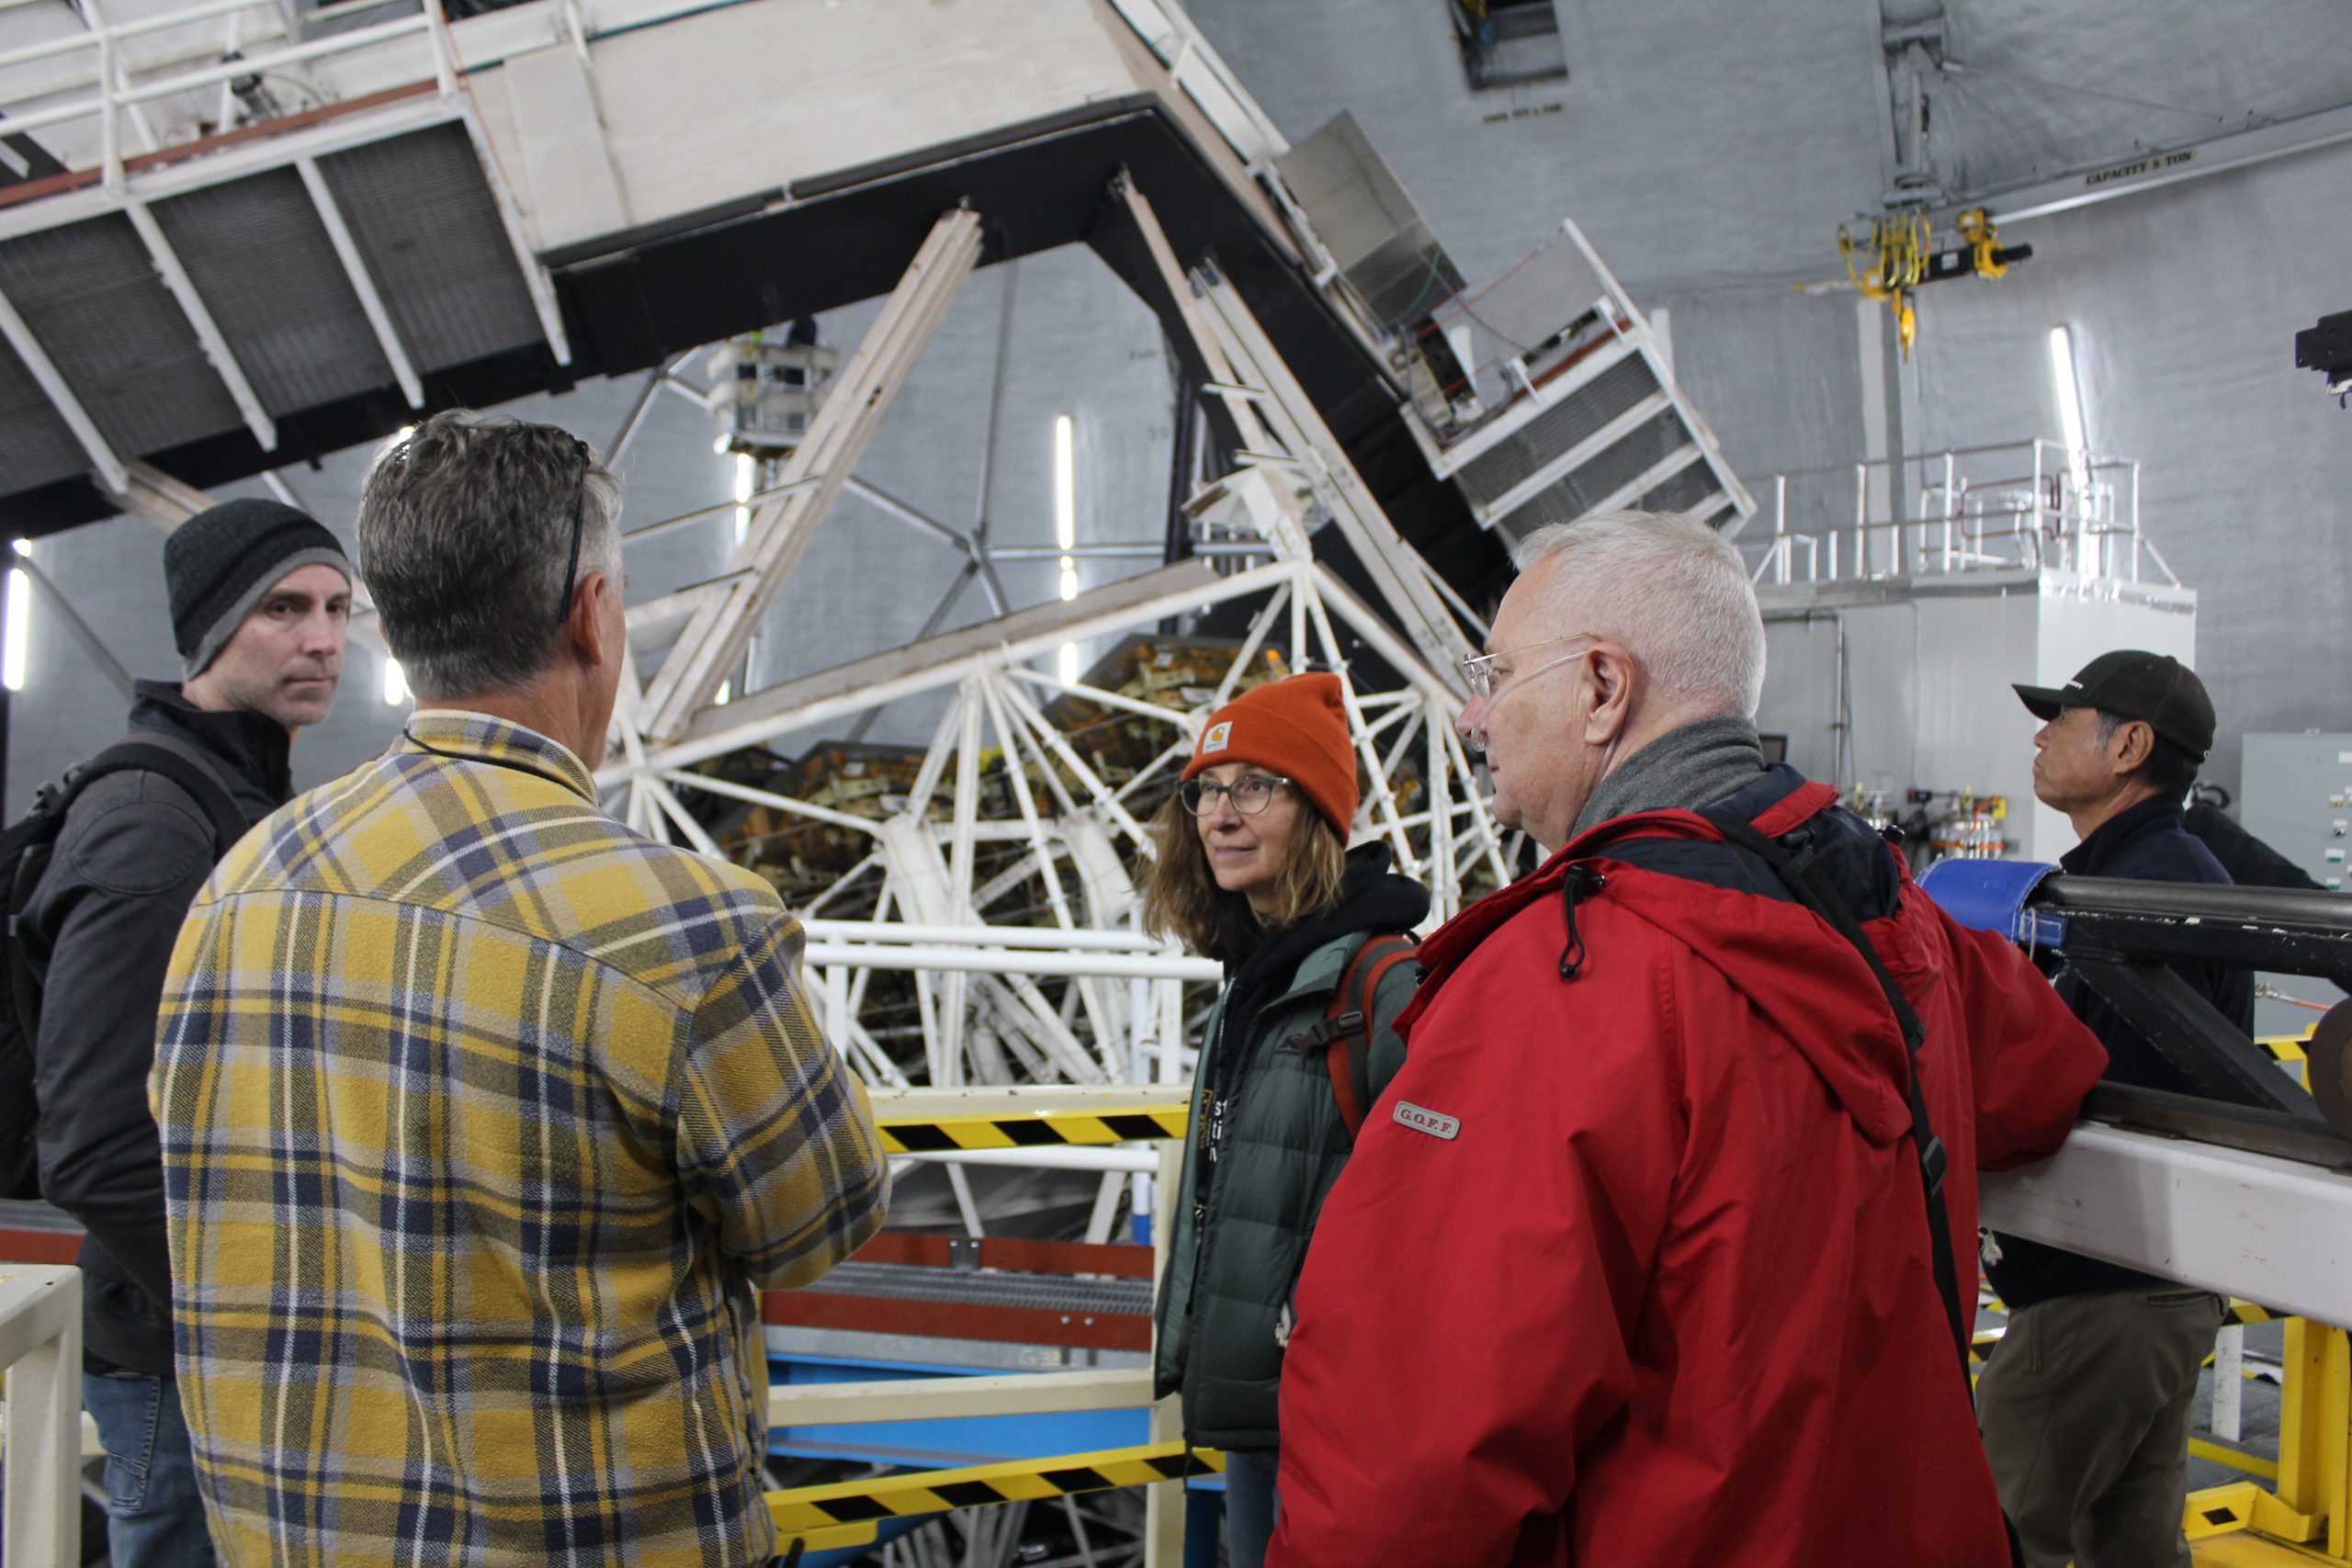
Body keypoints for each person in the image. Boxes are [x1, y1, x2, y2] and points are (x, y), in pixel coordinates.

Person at [1264, 511, 2109, 1568]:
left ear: (1602, 689)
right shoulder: (1891, 912)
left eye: (1501, 670)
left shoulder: (1563, 979)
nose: (1477, 713)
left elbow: (1410, 1451)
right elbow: (2048, 1078)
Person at [152, 412, 889, 1568]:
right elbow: (818, 1220)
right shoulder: (687, 924)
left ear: (395, 624)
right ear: (593, 613)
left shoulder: (242, 888)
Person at [22, 496, 351, 1568]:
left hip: (207, 1340)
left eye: (340, 608)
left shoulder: (236, 796)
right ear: (211, 629)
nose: (323, 638)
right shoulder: (153, 827)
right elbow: (96, 1144)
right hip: (178, 1353)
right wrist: (256, 1309)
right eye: (284, 608)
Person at [1142, 671, 1428, 1568]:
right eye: (1207, 791)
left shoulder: (1383, 986)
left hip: (1338, 1420)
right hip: (1258, 1409)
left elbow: (1435, 1219)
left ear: (1317, 811)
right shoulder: (1252, 980)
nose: (1221, 815)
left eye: (1254, 787)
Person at [1975, 650, 2249, 1568]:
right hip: (2154, 1284)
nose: (2040, 735)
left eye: (2064, 716)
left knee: (1983, 1529)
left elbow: (2071, 1092)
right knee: (2128, 1547)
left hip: (2102, 1294)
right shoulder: (2135, 873)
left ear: (2130, 744)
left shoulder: (2150, 892)